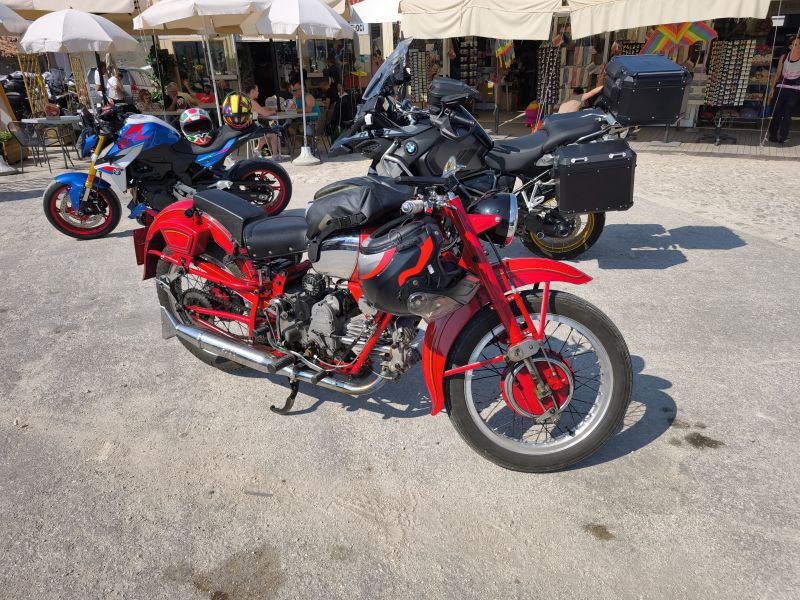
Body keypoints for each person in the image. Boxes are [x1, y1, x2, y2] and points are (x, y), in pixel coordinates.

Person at [769, 35, 800, 144]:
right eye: (795, 44)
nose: (798, 46)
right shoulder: (784, 57)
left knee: (787, 112)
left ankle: (783, 136)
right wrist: (772, 88)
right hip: (782, 86)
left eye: (799, 44)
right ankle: (773, 135)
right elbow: (778, 73)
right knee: (777, 111)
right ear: (790, 46)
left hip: (795, 88)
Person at [245, 82, 280, 160]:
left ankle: (257, 150)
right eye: (257, 90)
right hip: (253, 129)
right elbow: (265, 114)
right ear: (252, 91)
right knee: (273, 133)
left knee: (267, 130)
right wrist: (274, 111)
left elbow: (259, 109)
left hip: (247, 128)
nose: (258, 92)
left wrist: (267, 108)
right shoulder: (252, 102)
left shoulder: (245, 101)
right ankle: (275, 156)